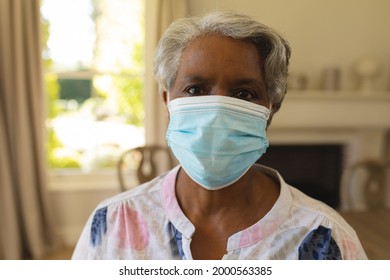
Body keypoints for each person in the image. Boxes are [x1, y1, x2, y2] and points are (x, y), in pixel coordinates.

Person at [72, 10, 367, 260]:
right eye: (196, 90)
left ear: (271, 107)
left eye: (244, 93)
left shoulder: (326, 238)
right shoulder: (113, 223)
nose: (216, 111)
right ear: (167, 100)